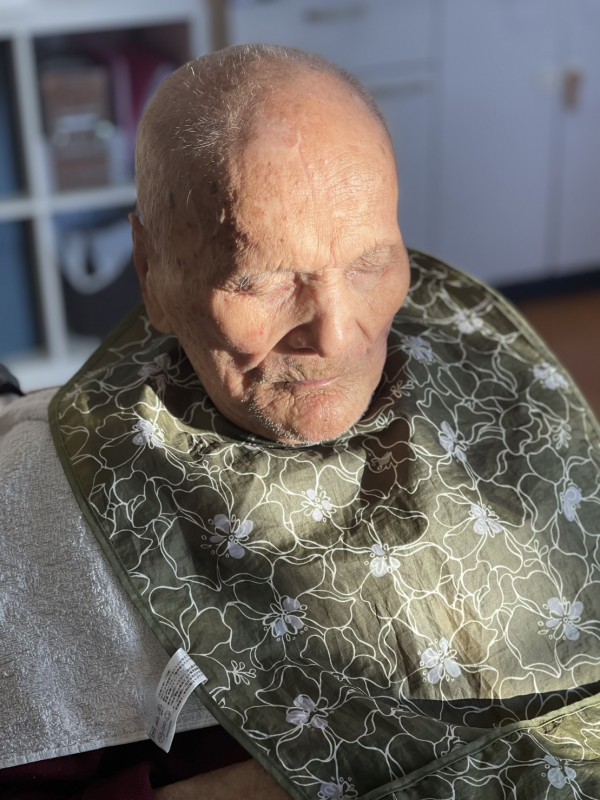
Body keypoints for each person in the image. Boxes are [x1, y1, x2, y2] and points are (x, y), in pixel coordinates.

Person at [1, 44, 599, 800]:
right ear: (152, 273)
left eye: (369, 261)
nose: (336, 336)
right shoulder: (38, 517)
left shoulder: (497, 389)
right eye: (263, 280)